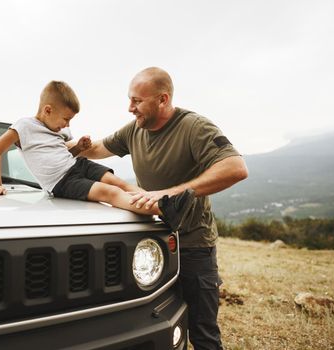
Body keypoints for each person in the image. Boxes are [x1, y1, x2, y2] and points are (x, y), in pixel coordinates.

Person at [76, 67, 248, 350]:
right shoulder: (134, 129)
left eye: (136, 101)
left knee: (202, 332)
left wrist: (167, 194)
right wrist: (64, 144)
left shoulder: (194, 126)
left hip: (193, 246)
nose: (130, 108)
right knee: (156, 325)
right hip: (152, 242)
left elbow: (235, 168)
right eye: (130, 100)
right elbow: (96, 149)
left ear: (163, 99)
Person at [0, 80, 194, 226]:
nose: (67, 125)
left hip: (77, 165)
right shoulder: (24, 127)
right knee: (108, 193)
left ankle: (161, 202)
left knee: (118, 182)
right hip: (61, 182)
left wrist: (78, 149)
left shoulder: (59, 131)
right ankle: (164, 210)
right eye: (66, 119)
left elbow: (64, 155)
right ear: (48, 110)